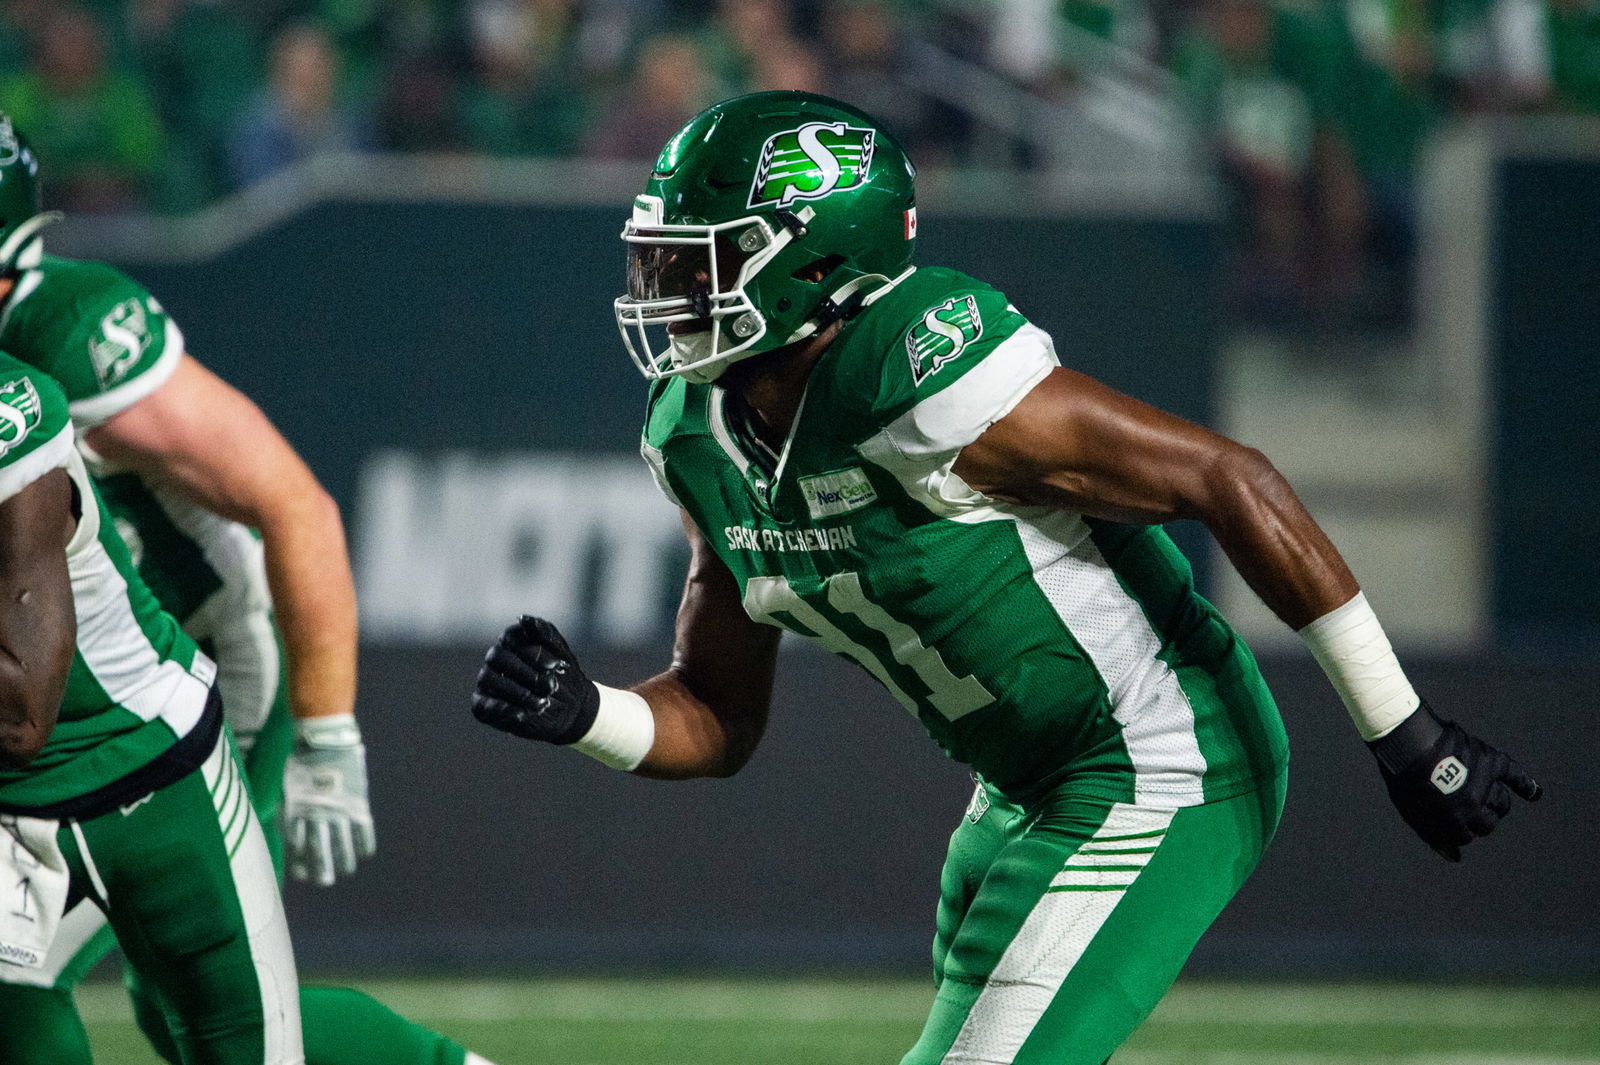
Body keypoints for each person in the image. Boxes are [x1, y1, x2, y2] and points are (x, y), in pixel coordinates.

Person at [472, 92, 1542, 1064]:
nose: (668, 294)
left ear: (813, 261)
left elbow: (1229, 479)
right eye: (663, 263)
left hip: (1161, 762)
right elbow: (717, 713)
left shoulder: (915, 368)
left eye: (701, 264)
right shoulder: (697, 436)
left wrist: (1408, 738)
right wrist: (588, 714)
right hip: (1018, 793)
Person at [0, 116, 493, 1065]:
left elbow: (294, 504)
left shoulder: (63, 331)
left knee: (188, 1003)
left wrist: (328, 733)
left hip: (187, 673)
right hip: (54, 701)